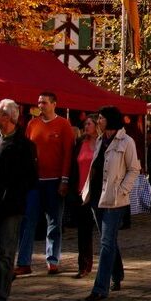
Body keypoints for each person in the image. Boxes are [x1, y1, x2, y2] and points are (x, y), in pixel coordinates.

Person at [0, 100, 37, 301]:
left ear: (8, 117)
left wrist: (12, 194)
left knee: (6, 252)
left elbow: (31, 178)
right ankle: (1, 275)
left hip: (10, 207)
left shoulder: (24, 146)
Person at [82, 106, 140, 301]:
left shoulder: (126, 141)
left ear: (110, 120)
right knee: (109, 240)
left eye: (101, 118)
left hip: (114, 199)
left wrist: (123, 190)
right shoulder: (100, 140)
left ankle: (100, 288)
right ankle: (118, 274)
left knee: (106, 242)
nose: (98, 121)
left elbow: (134, 169)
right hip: (97, 197)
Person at [15, 92, 74, 276]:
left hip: (55, 180)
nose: (41, 106)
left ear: (54, 104)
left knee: (54, 222)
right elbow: (25, 152)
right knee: (28, 220)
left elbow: (67, 154)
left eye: (44, 102)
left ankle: (52, 260)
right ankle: (24, 261)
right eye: (39, 102)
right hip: (34, 181)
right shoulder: (32, 124)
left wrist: (64, 180)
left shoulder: (64, 125)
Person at [68, 115, 98, 278]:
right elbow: (73, 165)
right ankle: (83, 265)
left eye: (89, 124)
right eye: (85, 124)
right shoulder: (80, 143)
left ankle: (113, 269)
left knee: (103, 232)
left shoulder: (102, 143)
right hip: (80, 191)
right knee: (83, 230)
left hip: (97, 193)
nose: (86, 126)